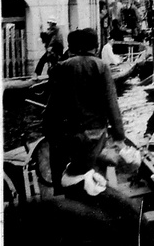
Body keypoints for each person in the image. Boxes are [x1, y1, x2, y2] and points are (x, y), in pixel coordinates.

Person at [43, 28, 126, 196]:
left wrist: (49, 133)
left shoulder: (63, 66)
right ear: (95, 47)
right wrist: (119, 137)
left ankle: (68, 204)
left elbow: (52, 106)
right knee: (96, 179)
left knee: (70, 178)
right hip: (95, 136)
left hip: (69, 135)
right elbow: (112, 105)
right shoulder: (101, 66)